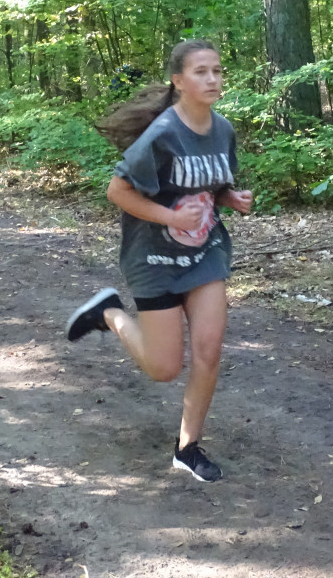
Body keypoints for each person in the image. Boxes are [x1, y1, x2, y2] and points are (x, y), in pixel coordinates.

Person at [66, 40, 253, 482]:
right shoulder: (162, 134)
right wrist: (171, 216)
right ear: (179, 81)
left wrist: (231, 197)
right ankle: (108, 313)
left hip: (205, 251)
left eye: (218, 71)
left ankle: (188, 448)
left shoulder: (223, 129)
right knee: (163, 369)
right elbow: (118, 192)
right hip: (153, 256)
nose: (213, 79)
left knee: (208, 349)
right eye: (201, 72)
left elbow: (212, 185)